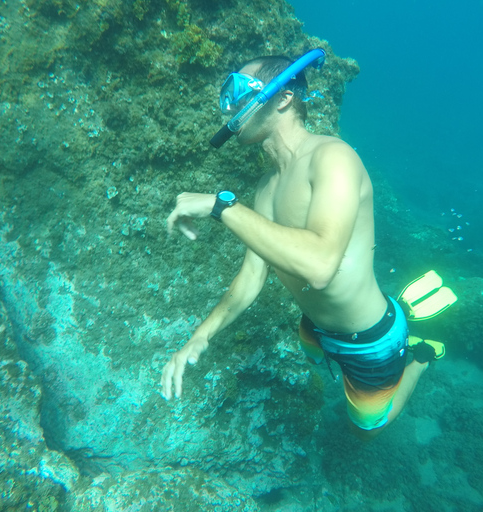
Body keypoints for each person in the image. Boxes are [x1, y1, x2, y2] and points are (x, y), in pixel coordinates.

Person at [161, 53, 439, 436]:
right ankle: (396, 318)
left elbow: (321, 266)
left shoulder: (333, 158)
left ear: (284, 98)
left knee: (369, 422)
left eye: (239, 91)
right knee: (311, 355)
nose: (228, 107)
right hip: (316, 326)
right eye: (227, 96)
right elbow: (251, 277)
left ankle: (421, 355)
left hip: (369, 339)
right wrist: (199, 336)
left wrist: (220, 206)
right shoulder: (266, 188)